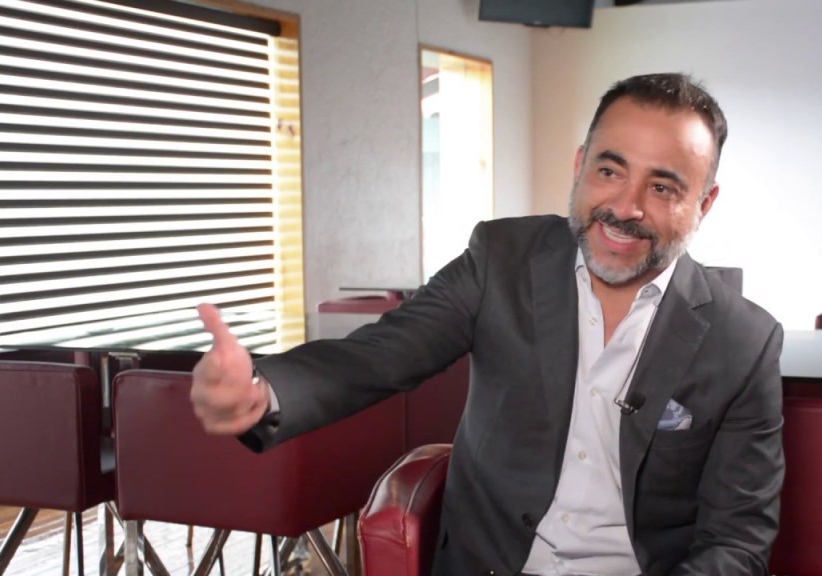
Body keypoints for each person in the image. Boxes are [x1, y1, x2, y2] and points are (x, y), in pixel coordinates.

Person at [191, 72, 784, 576]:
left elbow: (736, 540)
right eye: (610, 171)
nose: (625, 207)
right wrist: (263, 392)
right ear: (580, 166)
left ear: (704, 204)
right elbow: (381, 354)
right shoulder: (501, 259)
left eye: (661, 187)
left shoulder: (745, 341)